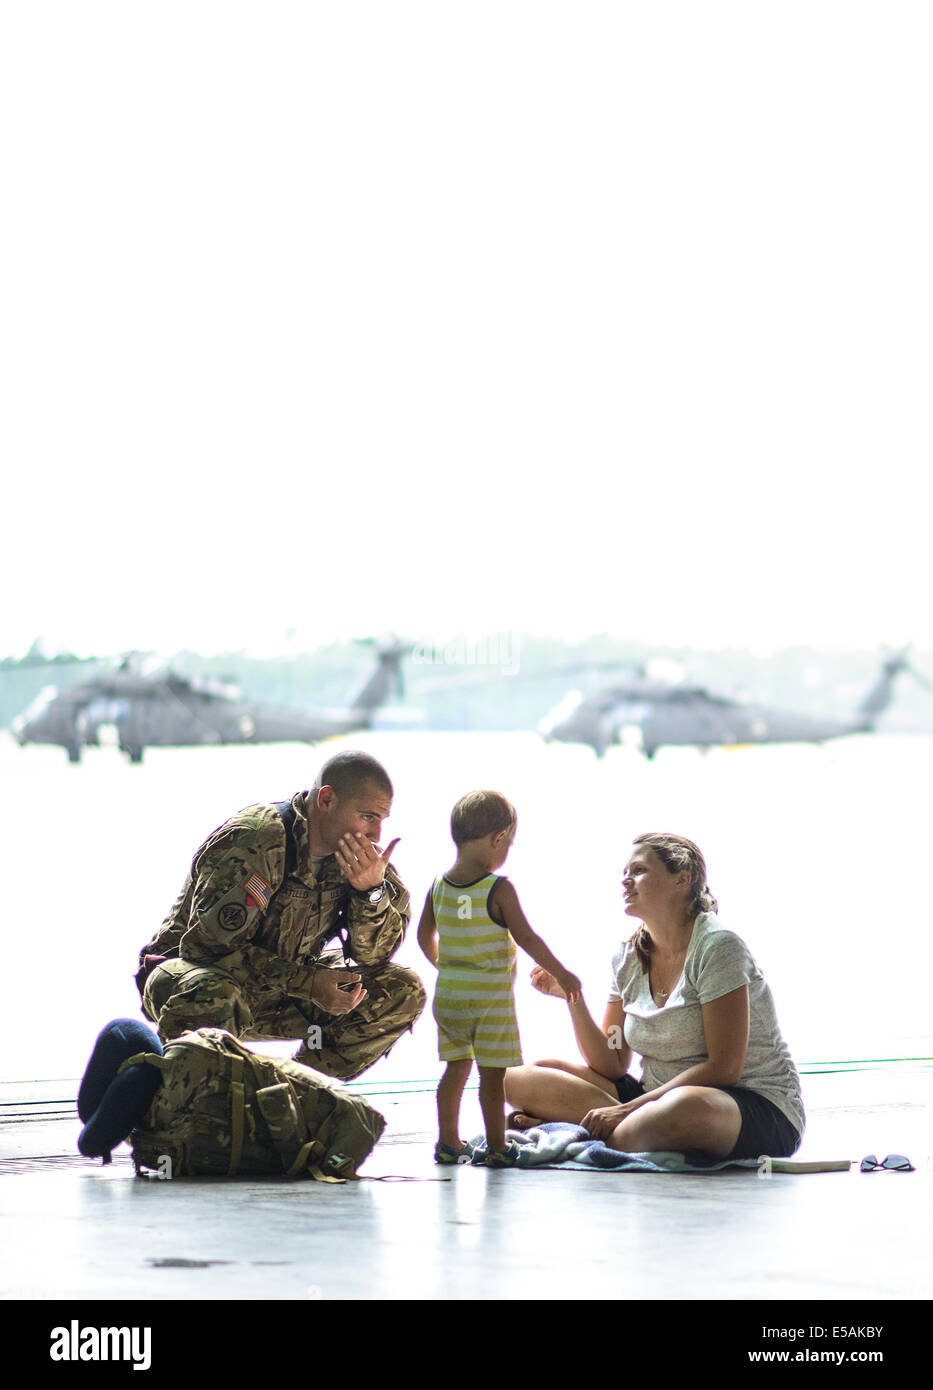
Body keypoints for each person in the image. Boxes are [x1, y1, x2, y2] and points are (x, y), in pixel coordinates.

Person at [504, 833, 804, 1161]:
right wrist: (572, 997)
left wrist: (628, 1109)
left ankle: (579, 1127)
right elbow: (613, 1062)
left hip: (749, 1105)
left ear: (682, 879)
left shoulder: (718, 947)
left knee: (685, 1107)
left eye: (639, 870)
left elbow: (724, 1069)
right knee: (518, 1079)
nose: (625, 880)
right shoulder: (628, 957)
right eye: (625, 872)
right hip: (653, 1100)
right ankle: (618, 1131)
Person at [135, 750, 426, 1081]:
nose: (375, 835)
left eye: (381, 821)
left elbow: (375, 956)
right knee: (215, 995)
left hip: (280, 990)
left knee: (401, 990)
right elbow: (206, 949)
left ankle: (294, 1092)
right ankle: (176, 1102)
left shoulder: (359, 859)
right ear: (328, 799)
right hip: (191, 981)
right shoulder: (259, 839)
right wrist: (308, 983)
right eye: (367, 817)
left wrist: (369, 891)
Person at [417, 790, 581, 1168]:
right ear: (498, 839)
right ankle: (497, 1147)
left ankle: (447, 1143)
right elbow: (527, 938)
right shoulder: (498, 889)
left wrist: (444, 965)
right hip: (490, 1003)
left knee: (455, 1070)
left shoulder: (438, 887)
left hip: (450, 998)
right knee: (492, 1078)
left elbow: (424, 936)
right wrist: (562, 973)